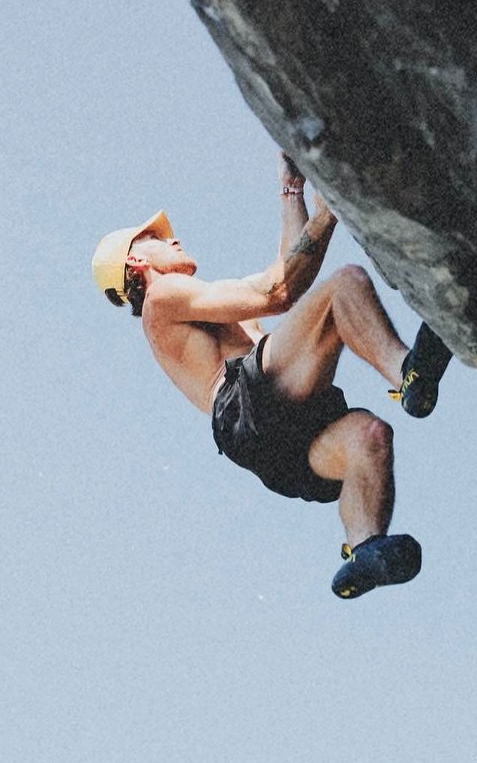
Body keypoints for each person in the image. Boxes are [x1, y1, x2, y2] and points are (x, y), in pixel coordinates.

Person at [90, 154, 452, 598]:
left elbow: (286, 267)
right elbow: (279, 291)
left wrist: (291, 189)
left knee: (369, 436)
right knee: (345, 285)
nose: (173, 238)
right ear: (136, 266)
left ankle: (363, 548)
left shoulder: (199, 305)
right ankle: (408, 374)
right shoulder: (162, 298)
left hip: (274, 448)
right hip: (248, 405)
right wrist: (331, 210)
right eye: (153, 240)